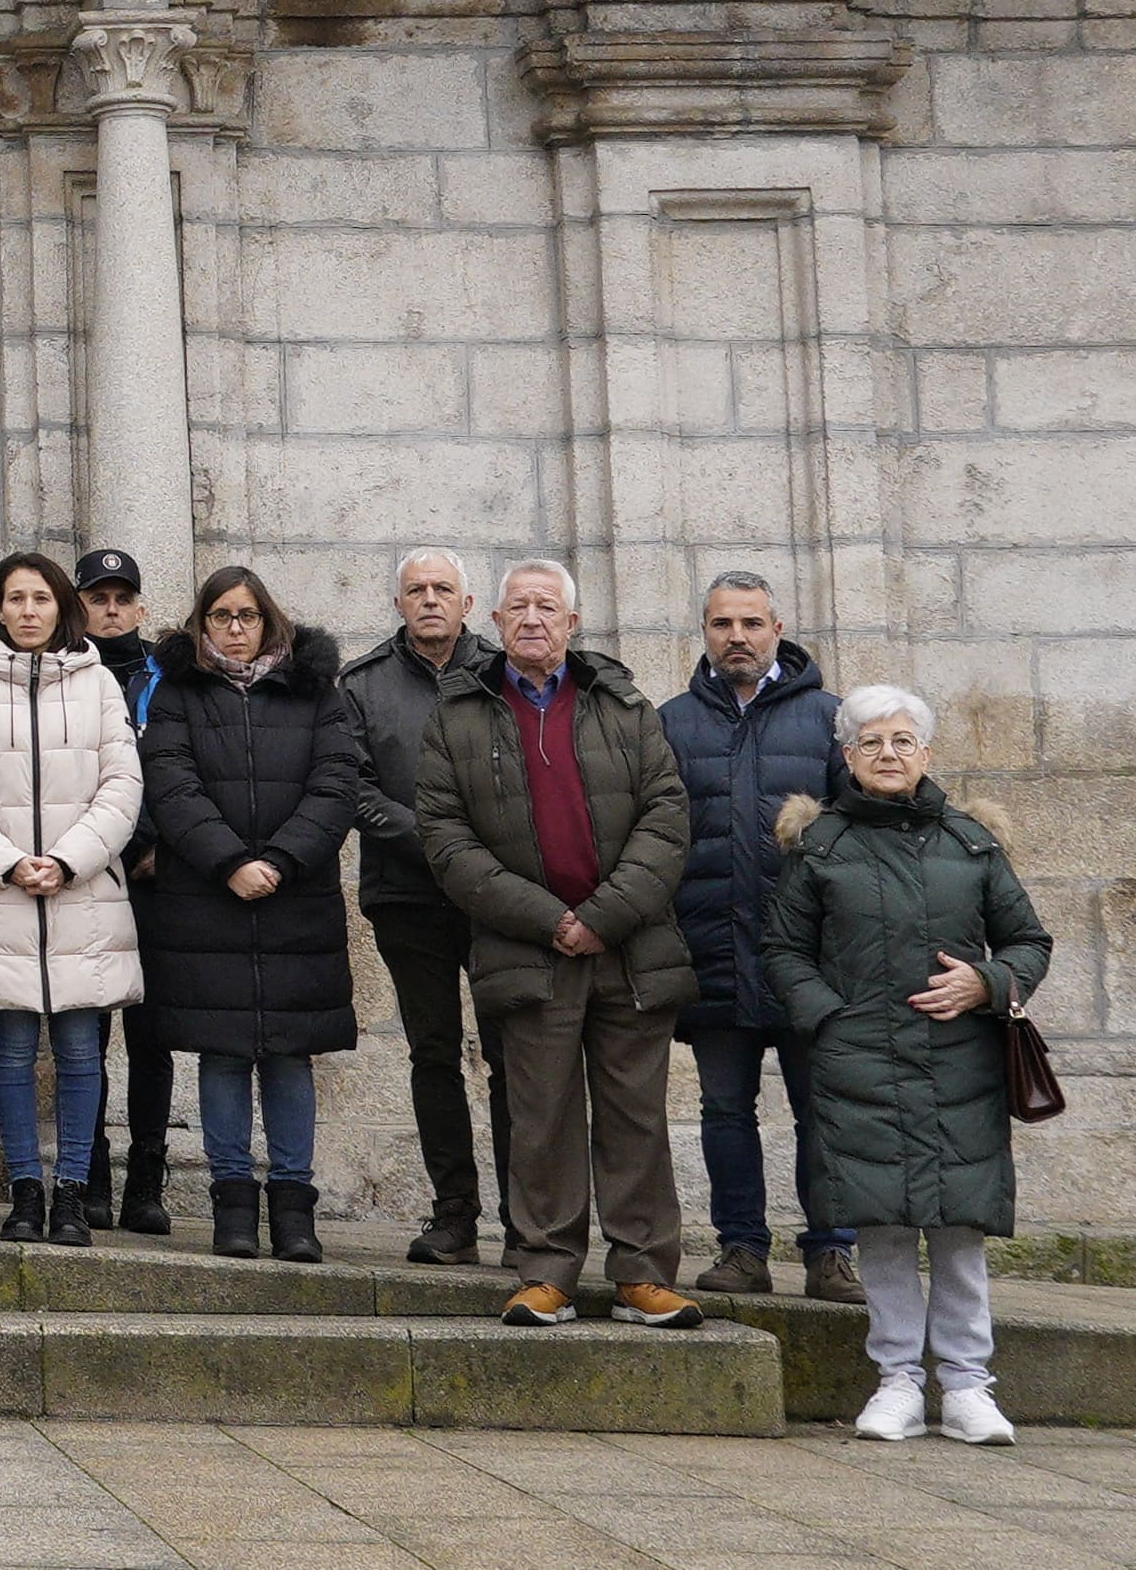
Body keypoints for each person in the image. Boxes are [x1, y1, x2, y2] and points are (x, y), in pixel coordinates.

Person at [417, 558, 700, 1329]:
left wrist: (601, 915)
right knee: (538, 1115)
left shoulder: (622, 703)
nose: (532, 619)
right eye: (518, 608)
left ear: (572, 625)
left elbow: (666, 815)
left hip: (627, 943)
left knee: (633, 1114)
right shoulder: (457, 715)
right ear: (496, 623)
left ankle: (643, 1272)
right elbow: (446, 840)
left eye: (548, 607)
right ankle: (545, 1271)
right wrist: (550, 919)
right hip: (527, 947)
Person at [767, 685, 1052, 1447]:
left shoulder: (969, 842)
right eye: (870, 742)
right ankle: (895, 1378)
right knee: (884, 1226)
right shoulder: (820, 844)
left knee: (959, 1226)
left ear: (925, 753)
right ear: (847, 756)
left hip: (962, 1060)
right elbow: (783, 950)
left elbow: (1028, 941)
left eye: (901, 740)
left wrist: (985, 982)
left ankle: (966, 1385)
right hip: (859, 1059)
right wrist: (828, 1016)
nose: (886, 753)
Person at [136, 567, 364, 1261]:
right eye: (221, 616)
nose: (235, 628)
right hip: (208, 899)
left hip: (294, 900)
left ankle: (294, 1205)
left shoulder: (315, 691)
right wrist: (228, 860)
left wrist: (281, 859)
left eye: (247, 615)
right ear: (201, 623)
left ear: (267, 620)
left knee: (290, 1056)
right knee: (224, 1054)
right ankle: (231, 1200)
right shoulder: (178, 691)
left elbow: (335, 782)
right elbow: (169, 782)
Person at [0, 551, 141, 1249]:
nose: (27, 610)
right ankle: (25, 1188)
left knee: (82, 1048)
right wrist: (8, 862)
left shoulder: (99, 686)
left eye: (40, 599)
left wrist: (68, 859)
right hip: (1, 894)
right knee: (12, 1048)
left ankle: (74, 1191)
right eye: (14, 598)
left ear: (61, 608)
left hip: (80, 892)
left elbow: (121, 786)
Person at [662, 572, 858, 1304]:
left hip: (811, 964)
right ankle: (741, 1246)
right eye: (721, 624)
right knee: (722, 1109)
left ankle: (831, 1252)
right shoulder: (671, 722)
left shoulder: (831, 720)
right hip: (710, 950)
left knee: (823, 1110)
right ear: (705, 632)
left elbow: (858, 838)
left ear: (777, 627)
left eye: (749, 622)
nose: (735, 636)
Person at [339, 546, 511, 1265]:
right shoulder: (362, 684)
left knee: (512, 1056)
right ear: (399, 603)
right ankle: (453, 1214)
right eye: (416, 589)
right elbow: (348, 784)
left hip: (500, 899)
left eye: (443, 588)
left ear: (468, 605)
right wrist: (436, 842)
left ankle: (530, 1217)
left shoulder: (505, 675)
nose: (430, 599)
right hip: (408, 896)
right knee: (432, 1052)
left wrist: (478, 856)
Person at [73, 547, 172, 1234]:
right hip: (87, 870)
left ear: (139, 608)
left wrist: (159, 841)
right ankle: (91, 1176)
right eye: (96, 596)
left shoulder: (167, 680)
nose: (109, 608)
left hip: (154, 877)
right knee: (86, 1031)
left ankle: (145, 1179)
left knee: (150, 1035)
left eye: (120, 597)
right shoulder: (65, 677)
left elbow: (181, 764)